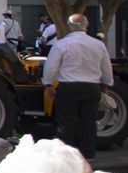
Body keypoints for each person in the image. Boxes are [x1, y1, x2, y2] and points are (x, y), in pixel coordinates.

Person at [43, 13, 114, 160]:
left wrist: (48, 84)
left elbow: (51, 67)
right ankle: (88, 153)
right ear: (86, 25)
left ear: (69, 27)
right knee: (89, 122)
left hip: (68, 87)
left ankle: (67, 155)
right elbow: (106, 67)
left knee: (66, 122)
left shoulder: (61, 44)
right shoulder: (98, 44)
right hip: (92, 87)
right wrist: (106, 84)